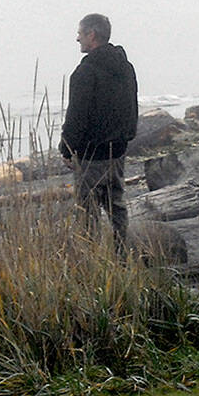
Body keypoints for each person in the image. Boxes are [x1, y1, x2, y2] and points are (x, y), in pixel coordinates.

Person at [59, 13, 138, 253]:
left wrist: (67, 148)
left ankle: (91, 259)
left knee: (87, 210)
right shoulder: (125, 67)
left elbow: (76, 116)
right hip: (117, 149)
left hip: (92, 153)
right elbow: (132, 106)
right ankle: (123, 255)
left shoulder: (85, 73)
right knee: (116, 205)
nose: (78, 39)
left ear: (92, 36)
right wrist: (127, 136)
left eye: (81, 34)